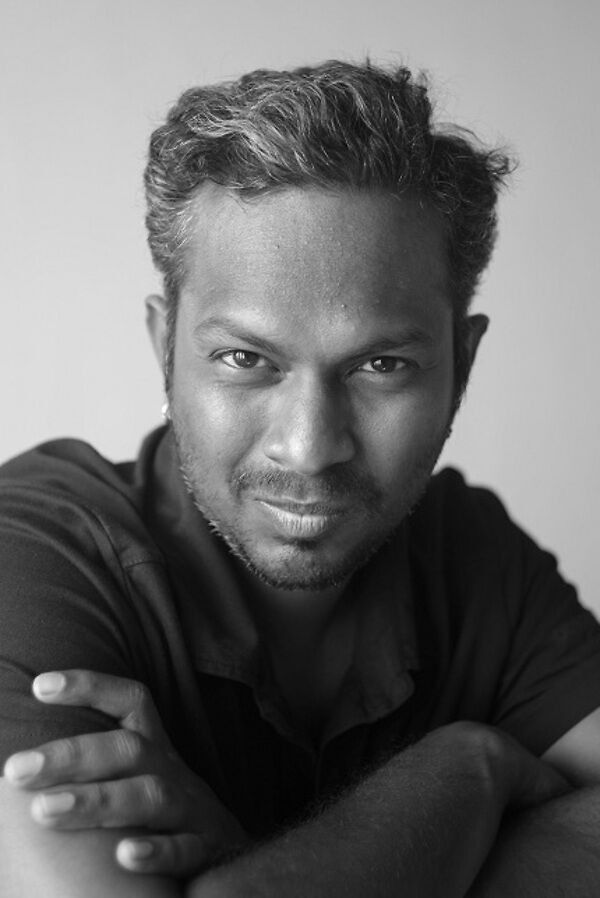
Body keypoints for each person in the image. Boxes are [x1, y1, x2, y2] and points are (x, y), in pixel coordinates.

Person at [1, 59, 600, 897]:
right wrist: (468, 770)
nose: (310, 448)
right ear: (164, 347)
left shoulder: (473, 555)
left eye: (381, 365)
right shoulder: (34, 559)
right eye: (245, 359)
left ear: (461, 367)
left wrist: (244, 861)